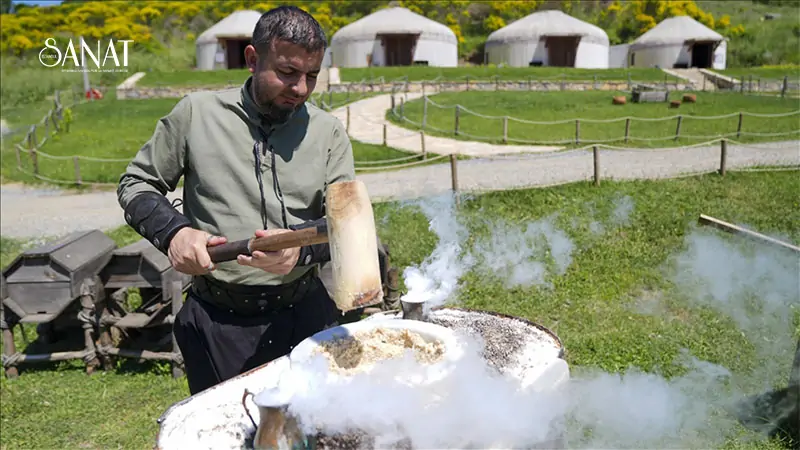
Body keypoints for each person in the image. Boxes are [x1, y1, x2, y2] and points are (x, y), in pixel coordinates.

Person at [117, 6, 356, 395]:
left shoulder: (328, 133)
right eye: (287, 72)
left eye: (312, 76)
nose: (300, 89)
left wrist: (301, 252)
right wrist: (175, 233)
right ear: (252, 59)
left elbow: (346, 225)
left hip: (307, 316)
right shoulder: (196, 115)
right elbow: (137, 184)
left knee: (319, 422)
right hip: (218, 323)